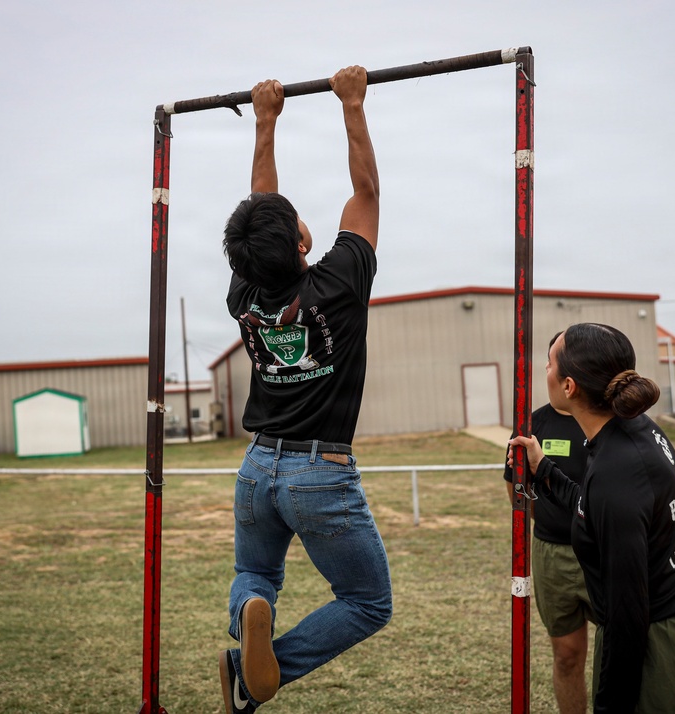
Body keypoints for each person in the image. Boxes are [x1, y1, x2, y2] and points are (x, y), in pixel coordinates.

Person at [218, 66, 392, 714]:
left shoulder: (243, 295)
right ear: (303, 240)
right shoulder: (340, 282)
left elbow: (261, 211)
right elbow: (367, 189)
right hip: (320, 472)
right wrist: (352, 104)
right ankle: (269, 668)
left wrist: (265, 122)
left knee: (255, 576)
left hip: (259, 465)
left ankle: (253, 617)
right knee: (367, 602)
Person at [509, 323, 675, 714]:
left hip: (665, 643)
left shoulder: (617, 466)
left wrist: (610, 704)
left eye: (549, 363)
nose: (544, 369)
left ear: (569, 387)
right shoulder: (635, 430)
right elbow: (595, 505)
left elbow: (626, 612)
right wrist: (544, 469)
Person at [504, 338, 595, 714]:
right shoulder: (534, 423)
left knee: (618, 656)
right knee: (567, 656)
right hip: (552, 552)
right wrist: (552, 520)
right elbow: (514, 484)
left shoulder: (608, 422)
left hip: (604, 551)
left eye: (552, 365)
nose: (546, 372)